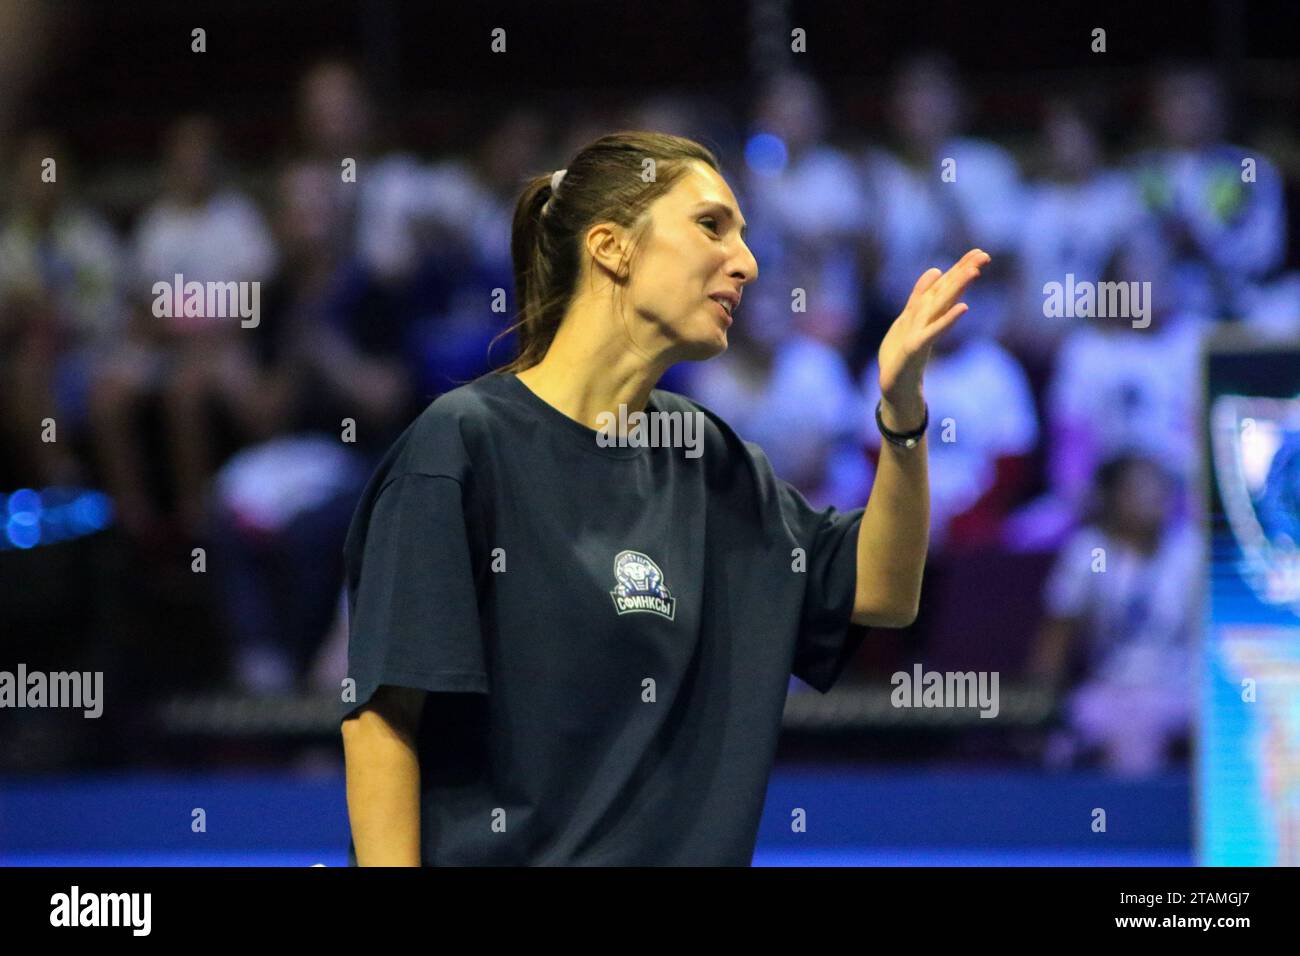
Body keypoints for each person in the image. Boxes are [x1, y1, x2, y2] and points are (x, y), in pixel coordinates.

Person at [339, 131, 989, 866]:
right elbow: (382, 722)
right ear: (612, 247)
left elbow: (883, 589)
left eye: (743, 236)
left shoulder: (706, 455)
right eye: (712, 226)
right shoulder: (461, 446)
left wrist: (901, 412)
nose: (744, 261)